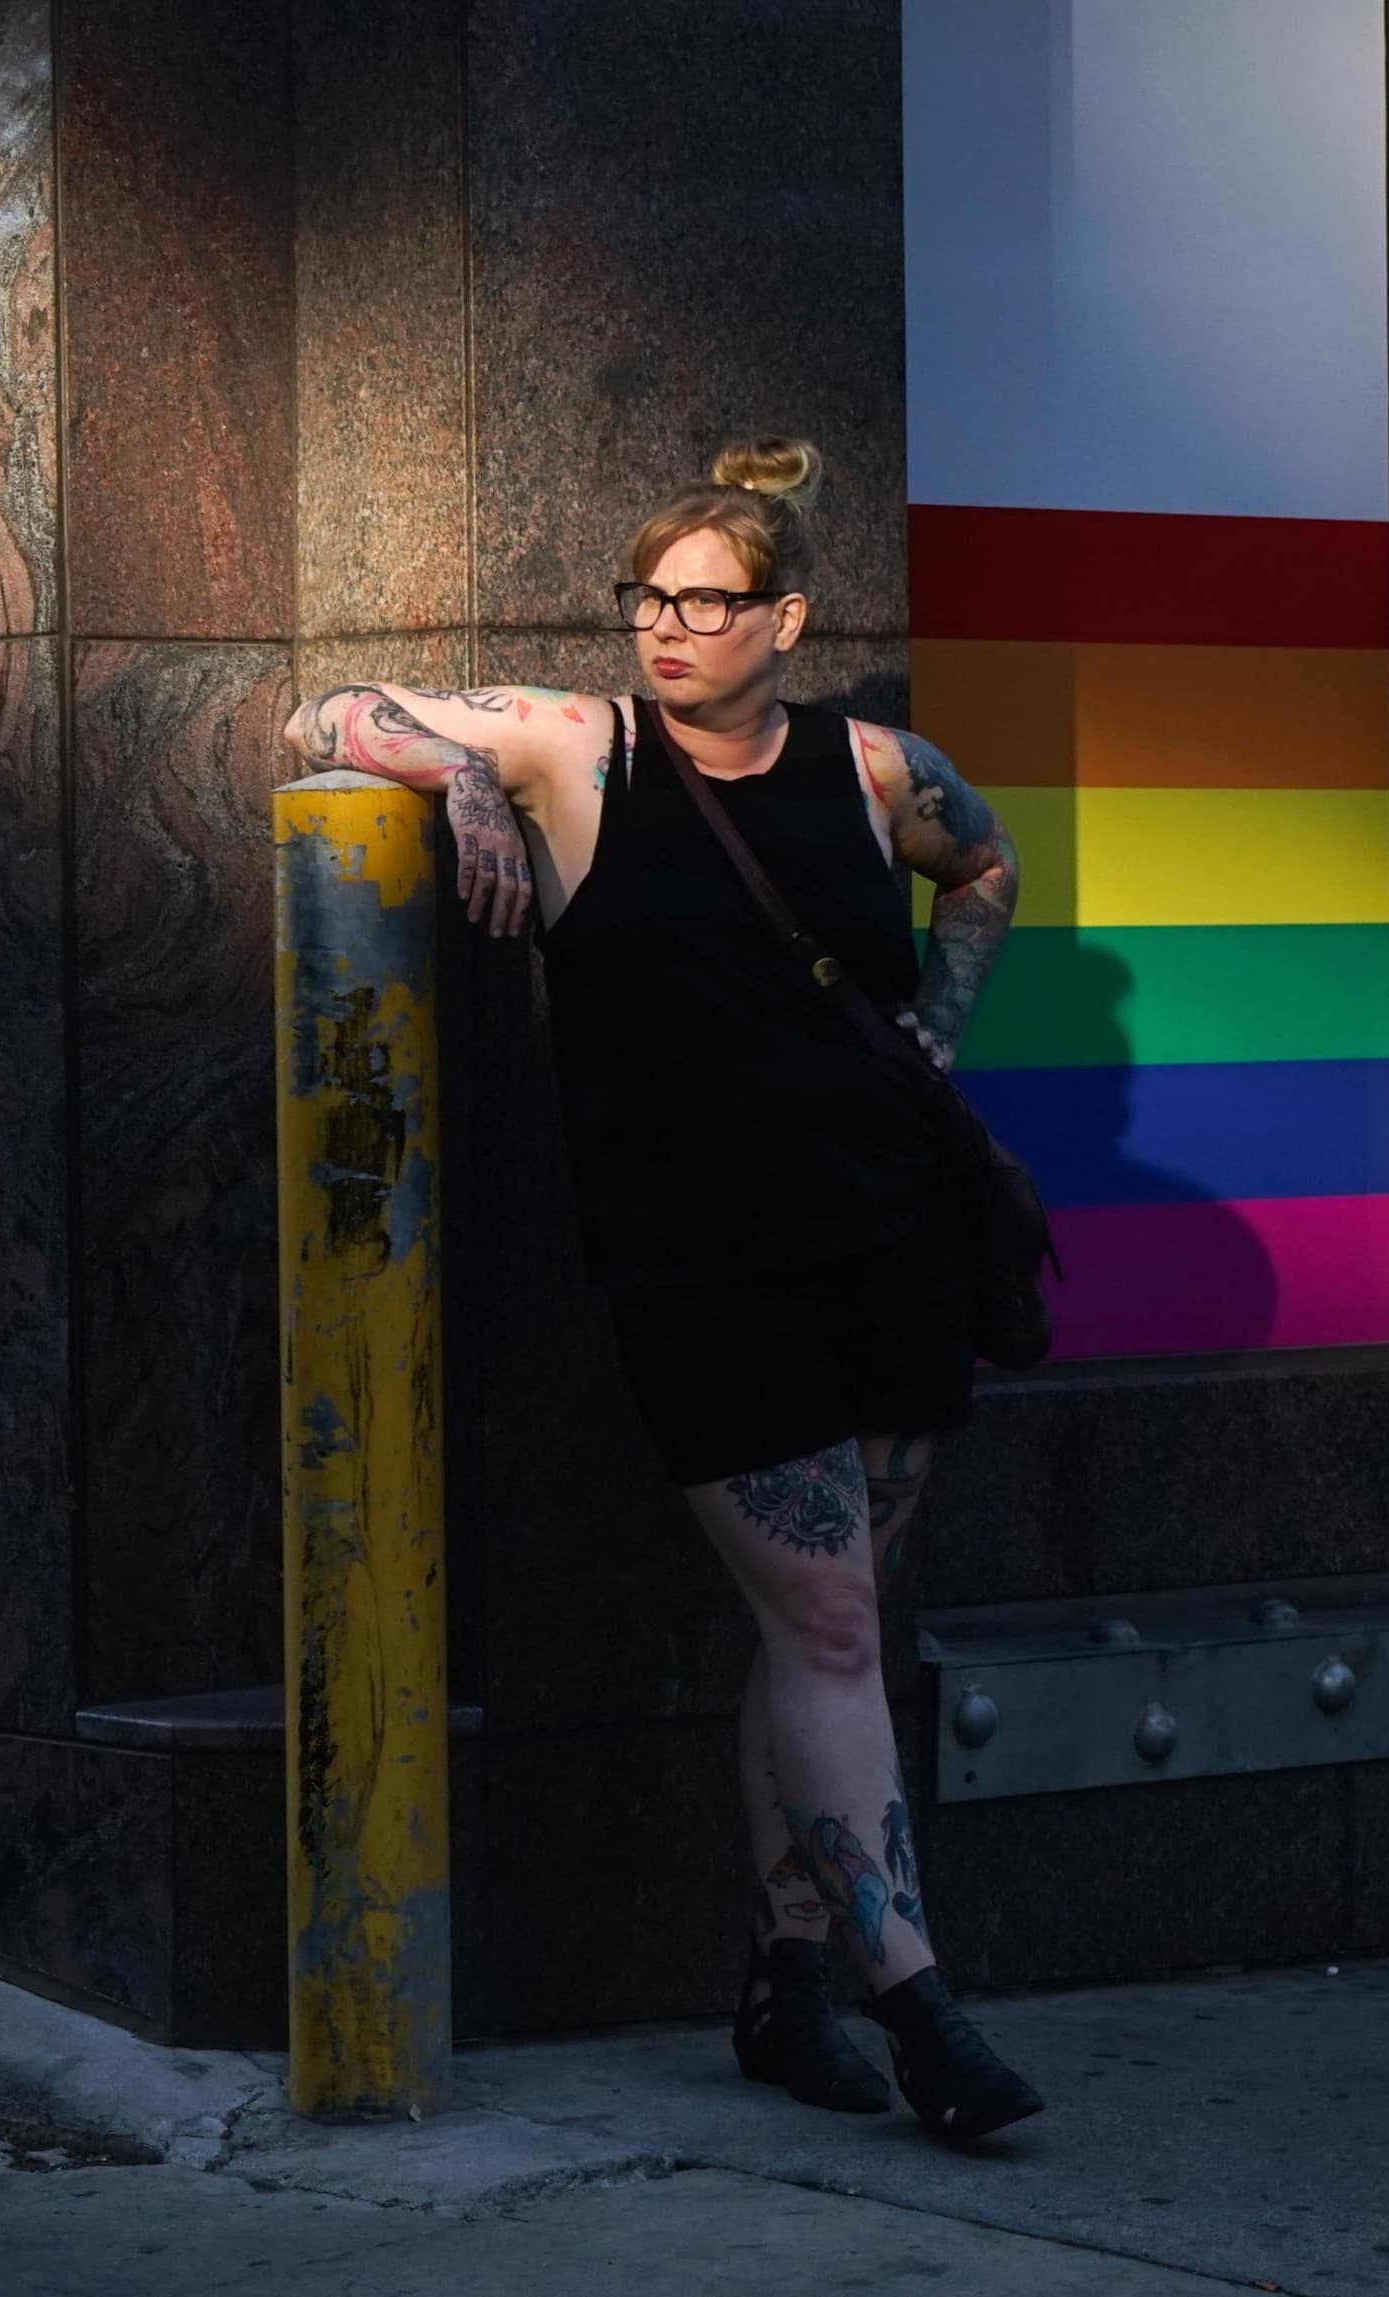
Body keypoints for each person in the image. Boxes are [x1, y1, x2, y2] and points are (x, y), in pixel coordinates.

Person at [280, 440, 1044, 2145]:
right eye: (648, 600)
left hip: (892, 1240)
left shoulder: (870, 770)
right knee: (833, 1626)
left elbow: (987, 868)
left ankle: (781, 1989)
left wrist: (945, 1017)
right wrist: (458, 784)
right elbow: (321, 712)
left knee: (820, 1632)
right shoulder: (573, 749)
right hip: (708, 1268)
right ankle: (922, 2008)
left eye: (708, 602)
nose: (670, 630)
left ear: (785, 618)